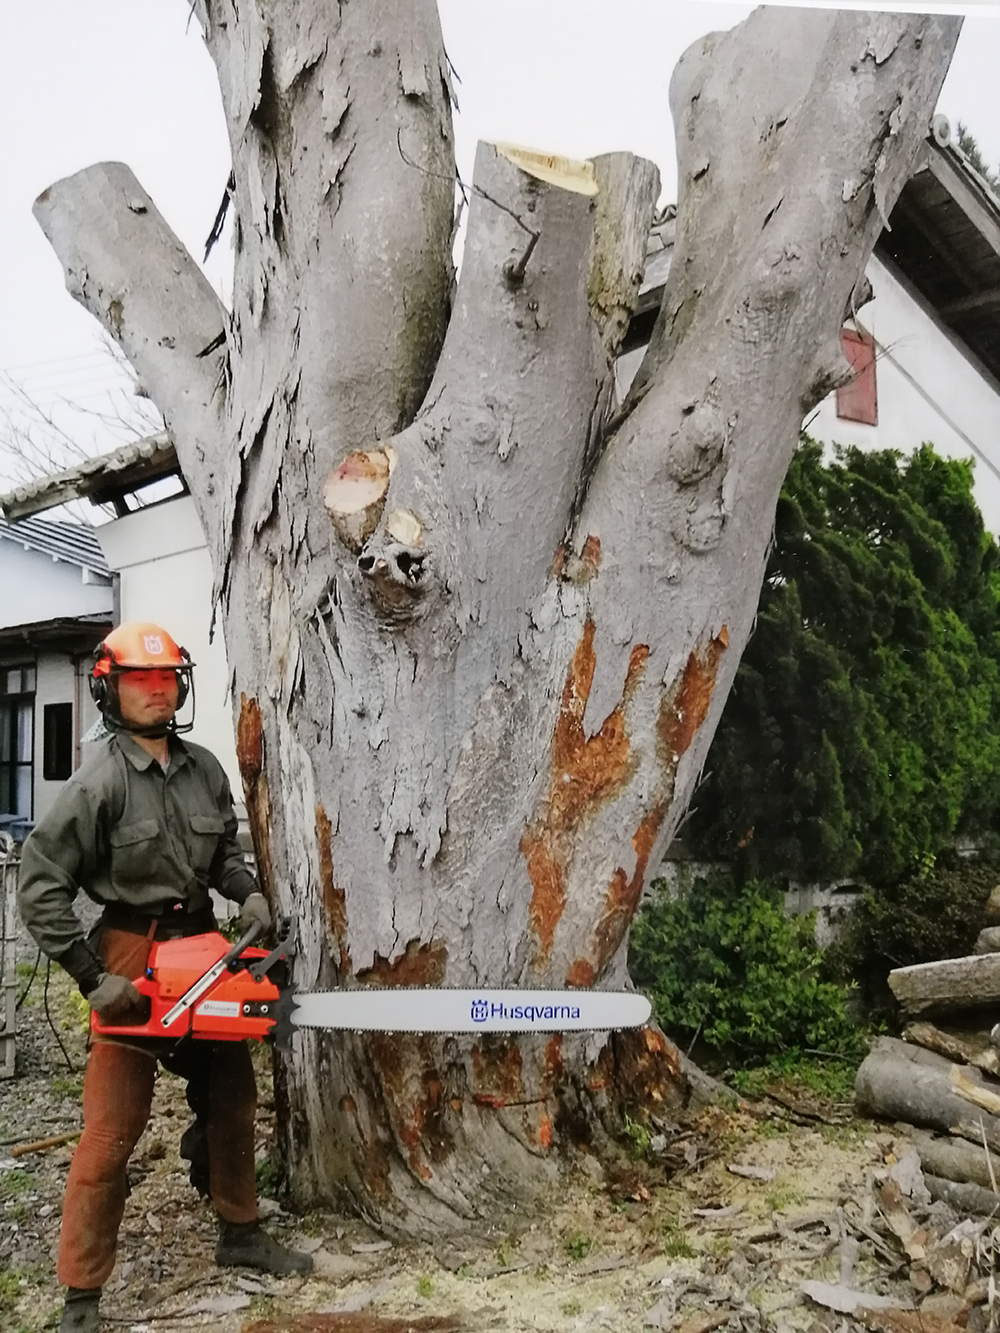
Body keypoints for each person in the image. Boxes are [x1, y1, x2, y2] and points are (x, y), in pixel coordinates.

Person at [17, 622, 311, 1333]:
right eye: (139, 679)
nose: (156, 689)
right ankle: (81, 1294)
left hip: (203, 948)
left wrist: (246, 892)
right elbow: (39, 883)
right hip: (129, 954)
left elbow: (220, 858)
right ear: (109, 687)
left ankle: (239, 1229)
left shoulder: (204, 767)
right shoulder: (98, 781)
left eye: (165, 677)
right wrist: (91, 977)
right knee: (112, 1127)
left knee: (233, 1089)